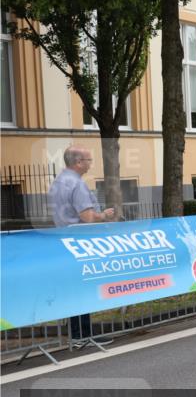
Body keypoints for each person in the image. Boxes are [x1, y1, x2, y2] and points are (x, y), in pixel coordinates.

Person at [48, 145, 115, 348]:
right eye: (88, 160)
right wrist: (104, 215)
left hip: (64, 241)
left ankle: (79, 335)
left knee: (74, 290)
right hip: (79, 242)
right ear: (78, 162)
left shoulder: (58, 182)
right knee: (83, 290)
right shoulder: (76, 184)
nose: (90, 164)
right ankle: (82, 336)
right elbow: (87, 217)